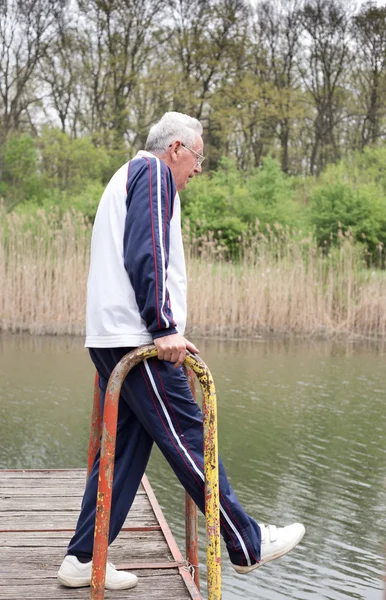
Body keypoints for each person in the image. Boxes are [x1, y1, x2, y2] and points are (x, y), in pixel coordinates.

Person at [57, 112, 305, 591]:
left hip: (114, 338)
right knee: (190, 435)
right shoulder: (151, 173)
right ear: (175, 149)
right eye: (198, 157)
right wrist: (164, 326)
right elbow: (146, 250)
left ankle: (84, 557)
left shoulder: (130, 175)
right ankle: (245, 540)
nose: (198, 168)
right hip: (138, 339)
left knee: (126, 450)